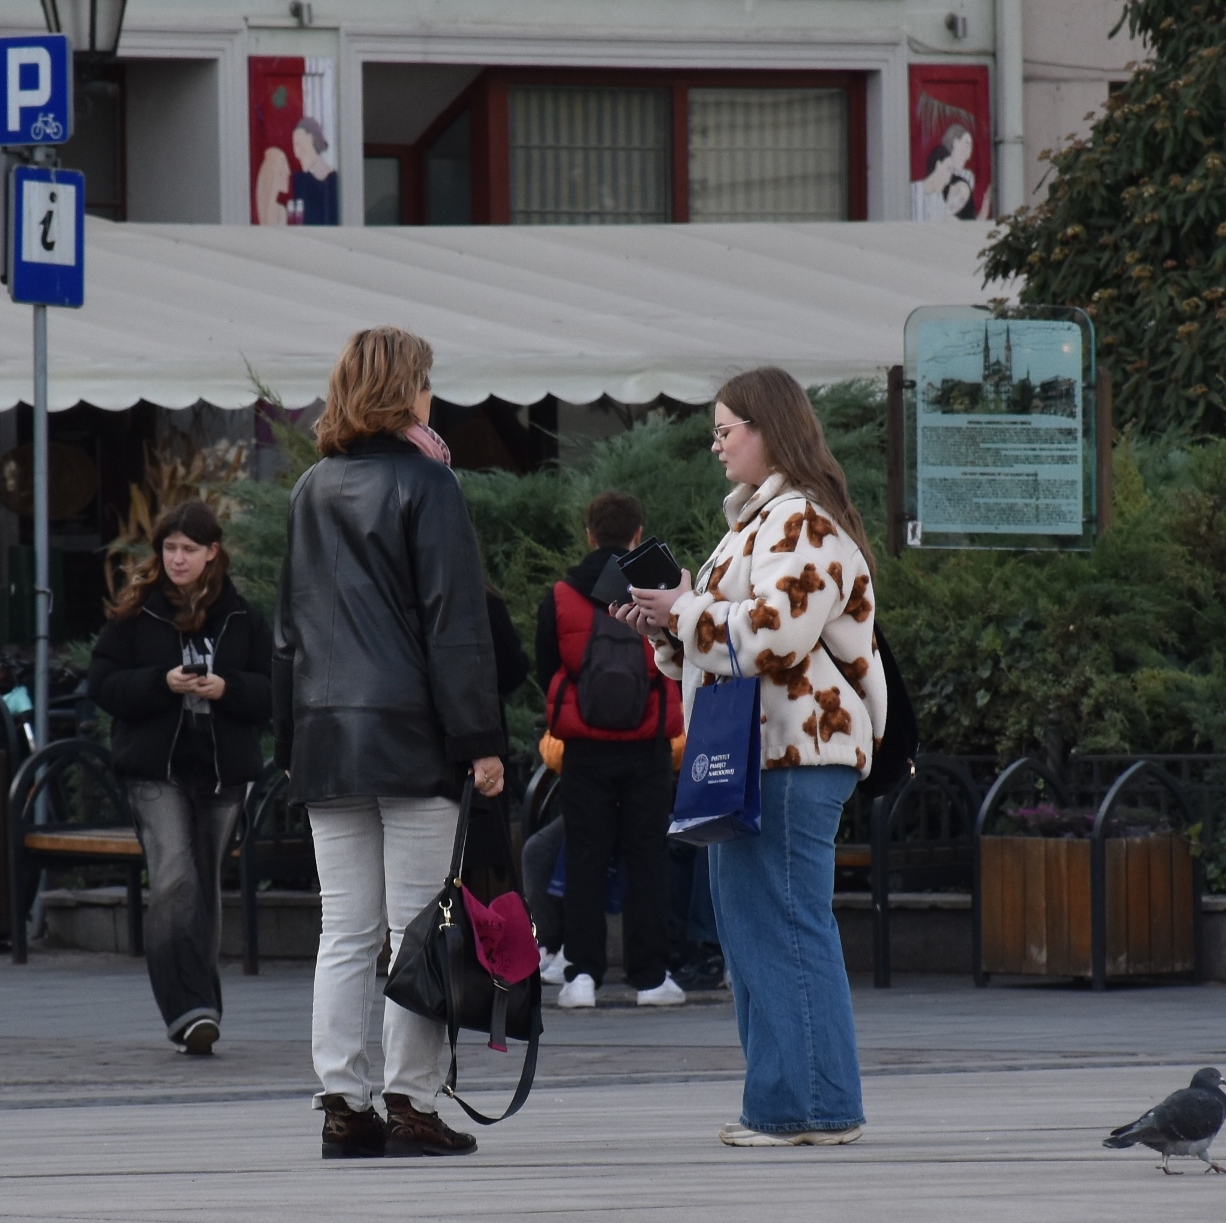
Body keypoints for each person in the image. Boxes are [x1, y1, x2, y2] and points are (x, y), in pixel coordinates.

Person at [628, 368, 890, 1147]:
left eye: (724, 430)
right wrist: (668, 625)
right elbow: (730, 639)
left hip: (795, 748)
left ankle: (805, 1107)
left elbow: (773, 635)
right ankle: (800, 1102)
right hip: (767, 748)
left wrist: (686, 609)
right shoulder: (765, 519)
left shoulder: (799, 520)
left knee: (780, 926)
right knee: (760, 930)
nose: (715, 445)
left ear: (767, 429)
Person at [275, 326, 506, 1161]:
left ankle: (343, 1103)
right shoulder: (428, 483)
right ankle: (412, 1101)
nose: (431, 396)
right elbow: (454, 623)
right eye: (426, 382)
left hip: (325, 735)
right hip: (411, 735)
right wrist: (479, 739)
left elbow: (288, 630)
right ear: (405, 390)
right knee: (420, 927)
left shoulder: (310, 487)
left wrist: (290, 743)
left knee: (344, 931)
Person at [89, 500, 274, 1058]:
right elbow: (102, 685)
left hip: (221, 771)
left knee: (205, 887)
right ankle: (187, 1009)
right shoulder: (136, 614)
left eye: (188, 549)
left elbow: (274, 693)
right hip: (156, 769)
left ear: (212, 552)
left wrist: (227, 689)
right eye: (169, 548)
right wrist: (162, 683)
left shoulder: (242, 616)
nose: (176, 559)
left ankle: (202, 1008)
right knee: (174, 879)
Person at [531, 490, 686, 1010]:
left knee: (585, 857)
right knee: (647, 857)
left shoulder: (560, 594)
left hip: (584, 747)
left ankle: (581, 976)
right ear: (638, 535)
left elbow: (547, 668)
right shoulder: (659, 590)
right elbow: (681, 655)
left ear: (589, 535)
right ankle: (651, 977)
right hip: (648, 744)